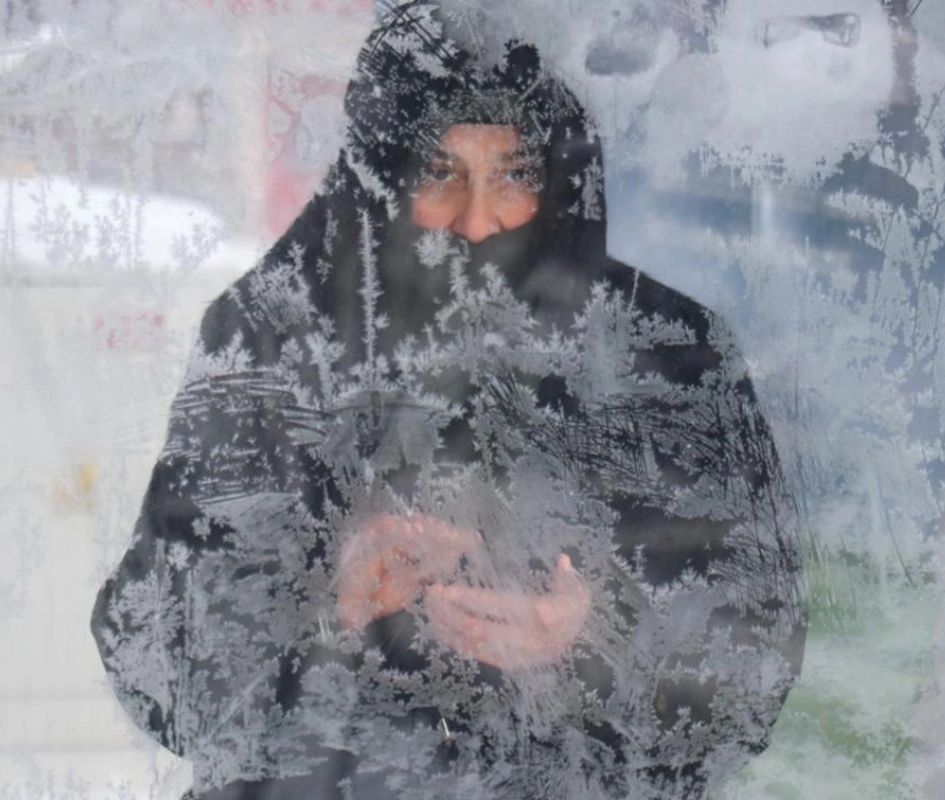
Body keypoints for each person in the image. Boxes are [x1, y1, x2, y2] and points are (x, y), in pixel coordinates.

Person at [90, 3, 806, 798]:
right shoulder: (276, 342)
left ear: (560, 175)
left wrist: (595, 641)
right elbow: (149, 659)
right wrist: (326, 606)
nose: (477, 220)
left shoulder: (665, 356)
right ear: (378, 176)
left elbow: (756, 663)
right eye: (439, 173)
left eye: (513, 174)